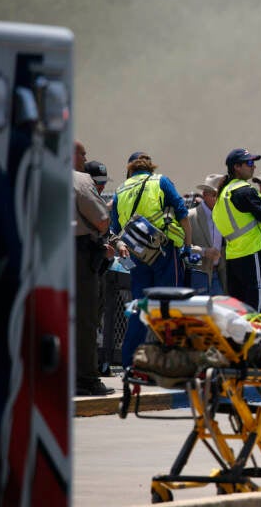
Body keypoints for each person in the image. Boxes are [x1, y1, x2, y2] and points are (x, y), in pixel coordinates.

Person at [111, 151, 194, 368]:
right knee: (170, 306)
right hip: (165, 251)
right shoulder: (160, 181)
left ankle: (130, 363)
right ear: (150, 167)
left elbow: (115, 231)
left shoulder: (120, 190)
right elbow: (183, 213)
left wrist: (123, 250)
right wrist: (186, 247)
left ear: (130, 169)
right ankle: (170, 363)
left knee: (140, 307)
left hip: (137, 256)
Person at [212, 148, 261, 312]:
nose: (253, 167)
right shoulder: (244, 191)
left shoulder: (222, 195)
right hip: (253, 254)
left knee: (238, 310)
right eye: (249, 163)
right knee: (257, 309)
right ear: (237, 167)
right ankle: (255, 338)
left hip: (233, 258)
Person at [73, 141, 114, 395]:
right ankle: (87, 379)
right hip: (79, 256)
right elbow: (101, 220)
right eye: (83, 153)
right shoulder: (79, 179)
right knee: (86, 319)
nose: (85, 158)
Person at [187, 173, 226, 295]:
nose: (218, 199)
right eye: (215, 195)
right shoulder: (190, 217)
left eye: (221, 195)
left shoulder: (225, 218)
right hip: (197, 276)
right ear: (204, 194)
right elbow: (181, 249)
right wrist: (204, 251)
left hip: (220, 276)